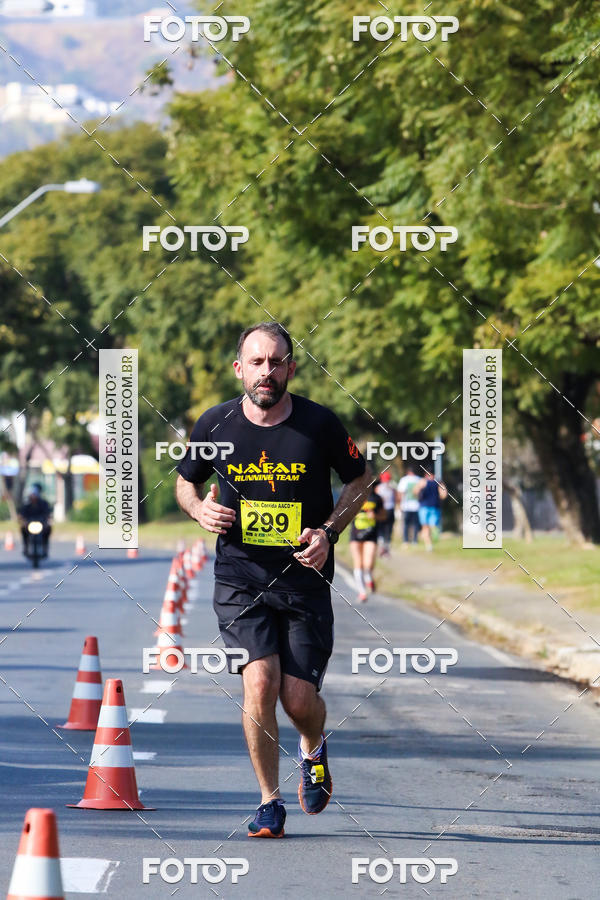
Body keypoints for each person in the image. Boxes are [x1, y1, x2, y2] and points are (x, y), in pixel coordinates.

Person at [175, 321, 372, 839]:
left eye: (277, 361)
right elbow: (185, 482)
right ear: (239, 368)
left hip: (304, 578)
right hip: (240, 577)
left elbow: (359, 477)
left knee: (299, 701)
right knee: (259, 682)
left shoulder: (320, 424)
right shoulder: (214, 426)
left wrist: (330, 532)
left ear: (290, 366)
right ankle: (268, 800)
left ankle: (313, 747)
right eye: (257, 362)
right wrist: (199, 510)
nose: (267, 372)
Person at [349, 483, 386, 601]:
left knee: (368, 563)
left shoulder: (377, 498)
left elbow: (384, 515)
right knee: (358, 564)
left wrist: (375, 516)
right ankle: (362, 592)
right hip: (355, 534)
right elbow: (345, 513)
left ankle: (369, 577)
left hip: (371, 534)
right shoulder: (354, 496)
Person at [417, 469, 448, 551]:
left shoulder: (422, 482)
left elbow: (415, 492)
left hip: (424, 507)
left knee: (425, 527)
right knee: (433, 526)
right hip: (435, 507)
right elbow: (444, 495)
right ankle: (435, 533)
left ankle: (429, 545)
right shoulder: (438, 482)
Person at [18, 483, 52, 556]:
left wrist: (48, 519)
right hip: (29, 523)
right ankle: (26, 546)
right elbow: (22, 514)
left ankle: (45, 546)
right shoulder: (27, 504)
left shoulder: (43, 503)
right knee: (23, 529)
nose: (33, 497)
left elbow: (47, 513)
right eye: (32, 495)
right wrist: (22, 520)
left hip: (41, 523)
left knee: (48, 528)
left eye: (34, 495)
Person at [397, 465, 421, 545]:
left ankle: (406, 540)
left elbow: (401, 493)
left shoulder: (404, 480)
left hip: (406, 505)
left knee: (406, 524)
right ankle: (415, 540)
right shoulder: (419, 479)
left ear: (408, 472)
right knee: (415, 524)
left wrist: (399, 504)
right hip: (417, 505)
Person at [375, 471, 396, 556]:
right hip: (390, 510)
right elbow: (396, 499)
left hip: (381, 511)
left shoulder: (378, 488)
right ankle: (386, 548)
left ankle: (382, 547)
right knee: (388, 530)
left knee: (381, 530)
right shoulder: (392, 488)